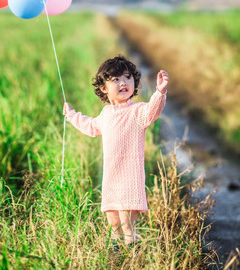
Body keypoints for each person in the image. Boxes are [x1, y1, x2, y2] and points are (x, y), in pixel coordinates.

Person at [63, 55, 169, 252]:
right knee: (113, 222)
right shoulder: (106, 114)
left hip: (129, 178)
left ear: (134, 82)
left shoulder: (137, 111)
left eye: (128, 78)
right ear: (103, 87)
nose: (123, 83)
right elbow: (91, 126)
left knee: (128, 225)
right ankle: (116, 257)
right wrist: (71, 116)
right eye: (116, 79)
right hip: (111, 177)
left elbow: (152, 111)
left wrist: (159, 92)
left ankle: (135, 257)